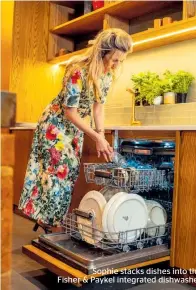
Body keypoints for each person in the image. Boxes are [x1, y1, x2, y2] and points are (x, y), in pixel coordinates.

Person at [18, 28, 133, 232]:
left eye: (120, 61)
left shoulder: (107, 75)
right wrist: (96, 136)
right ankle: (51, 224)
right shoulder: (77, 70)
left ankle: (51, 221)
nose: (117, 65)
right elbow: (70, 111)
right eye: (115, 60)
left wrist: (101, 134)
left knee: (68, 172)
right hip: (56, 124)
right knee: (56, 172)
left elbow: (98, 107)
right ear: (103, 52)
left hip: (75, 128)